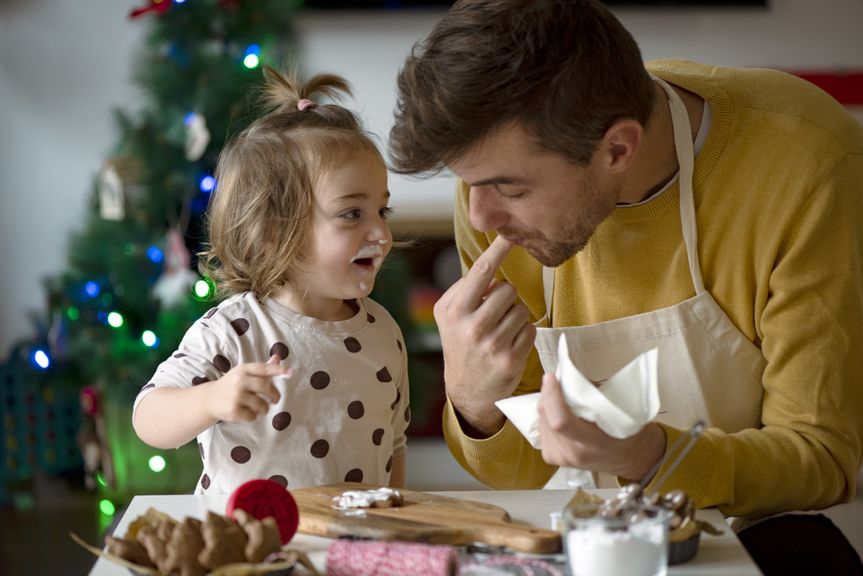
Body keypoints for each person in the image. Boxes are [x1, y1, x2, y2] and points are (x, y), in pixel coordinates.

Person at [389, 0, 863, 572]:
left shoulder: (805, 166)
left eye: (509, 190)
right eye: (469, 186)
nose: (482, 216)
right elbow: (520, 474)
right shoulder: (493, 195)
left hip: (762, 543)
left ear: (618, 148)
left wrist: (650, 456)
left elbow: (821, 462)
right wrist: (473, 403)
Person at [133, 67, 410, 494]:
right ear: (273, 233)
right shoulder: (233, 331)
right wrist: (211, 399)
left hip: (347, 549)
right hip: (247, 551)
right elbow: (148, 419)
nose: (381, 234)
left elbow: (394, 448)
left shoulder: (384, 333)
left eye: (382, 211)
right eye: (352, 213)